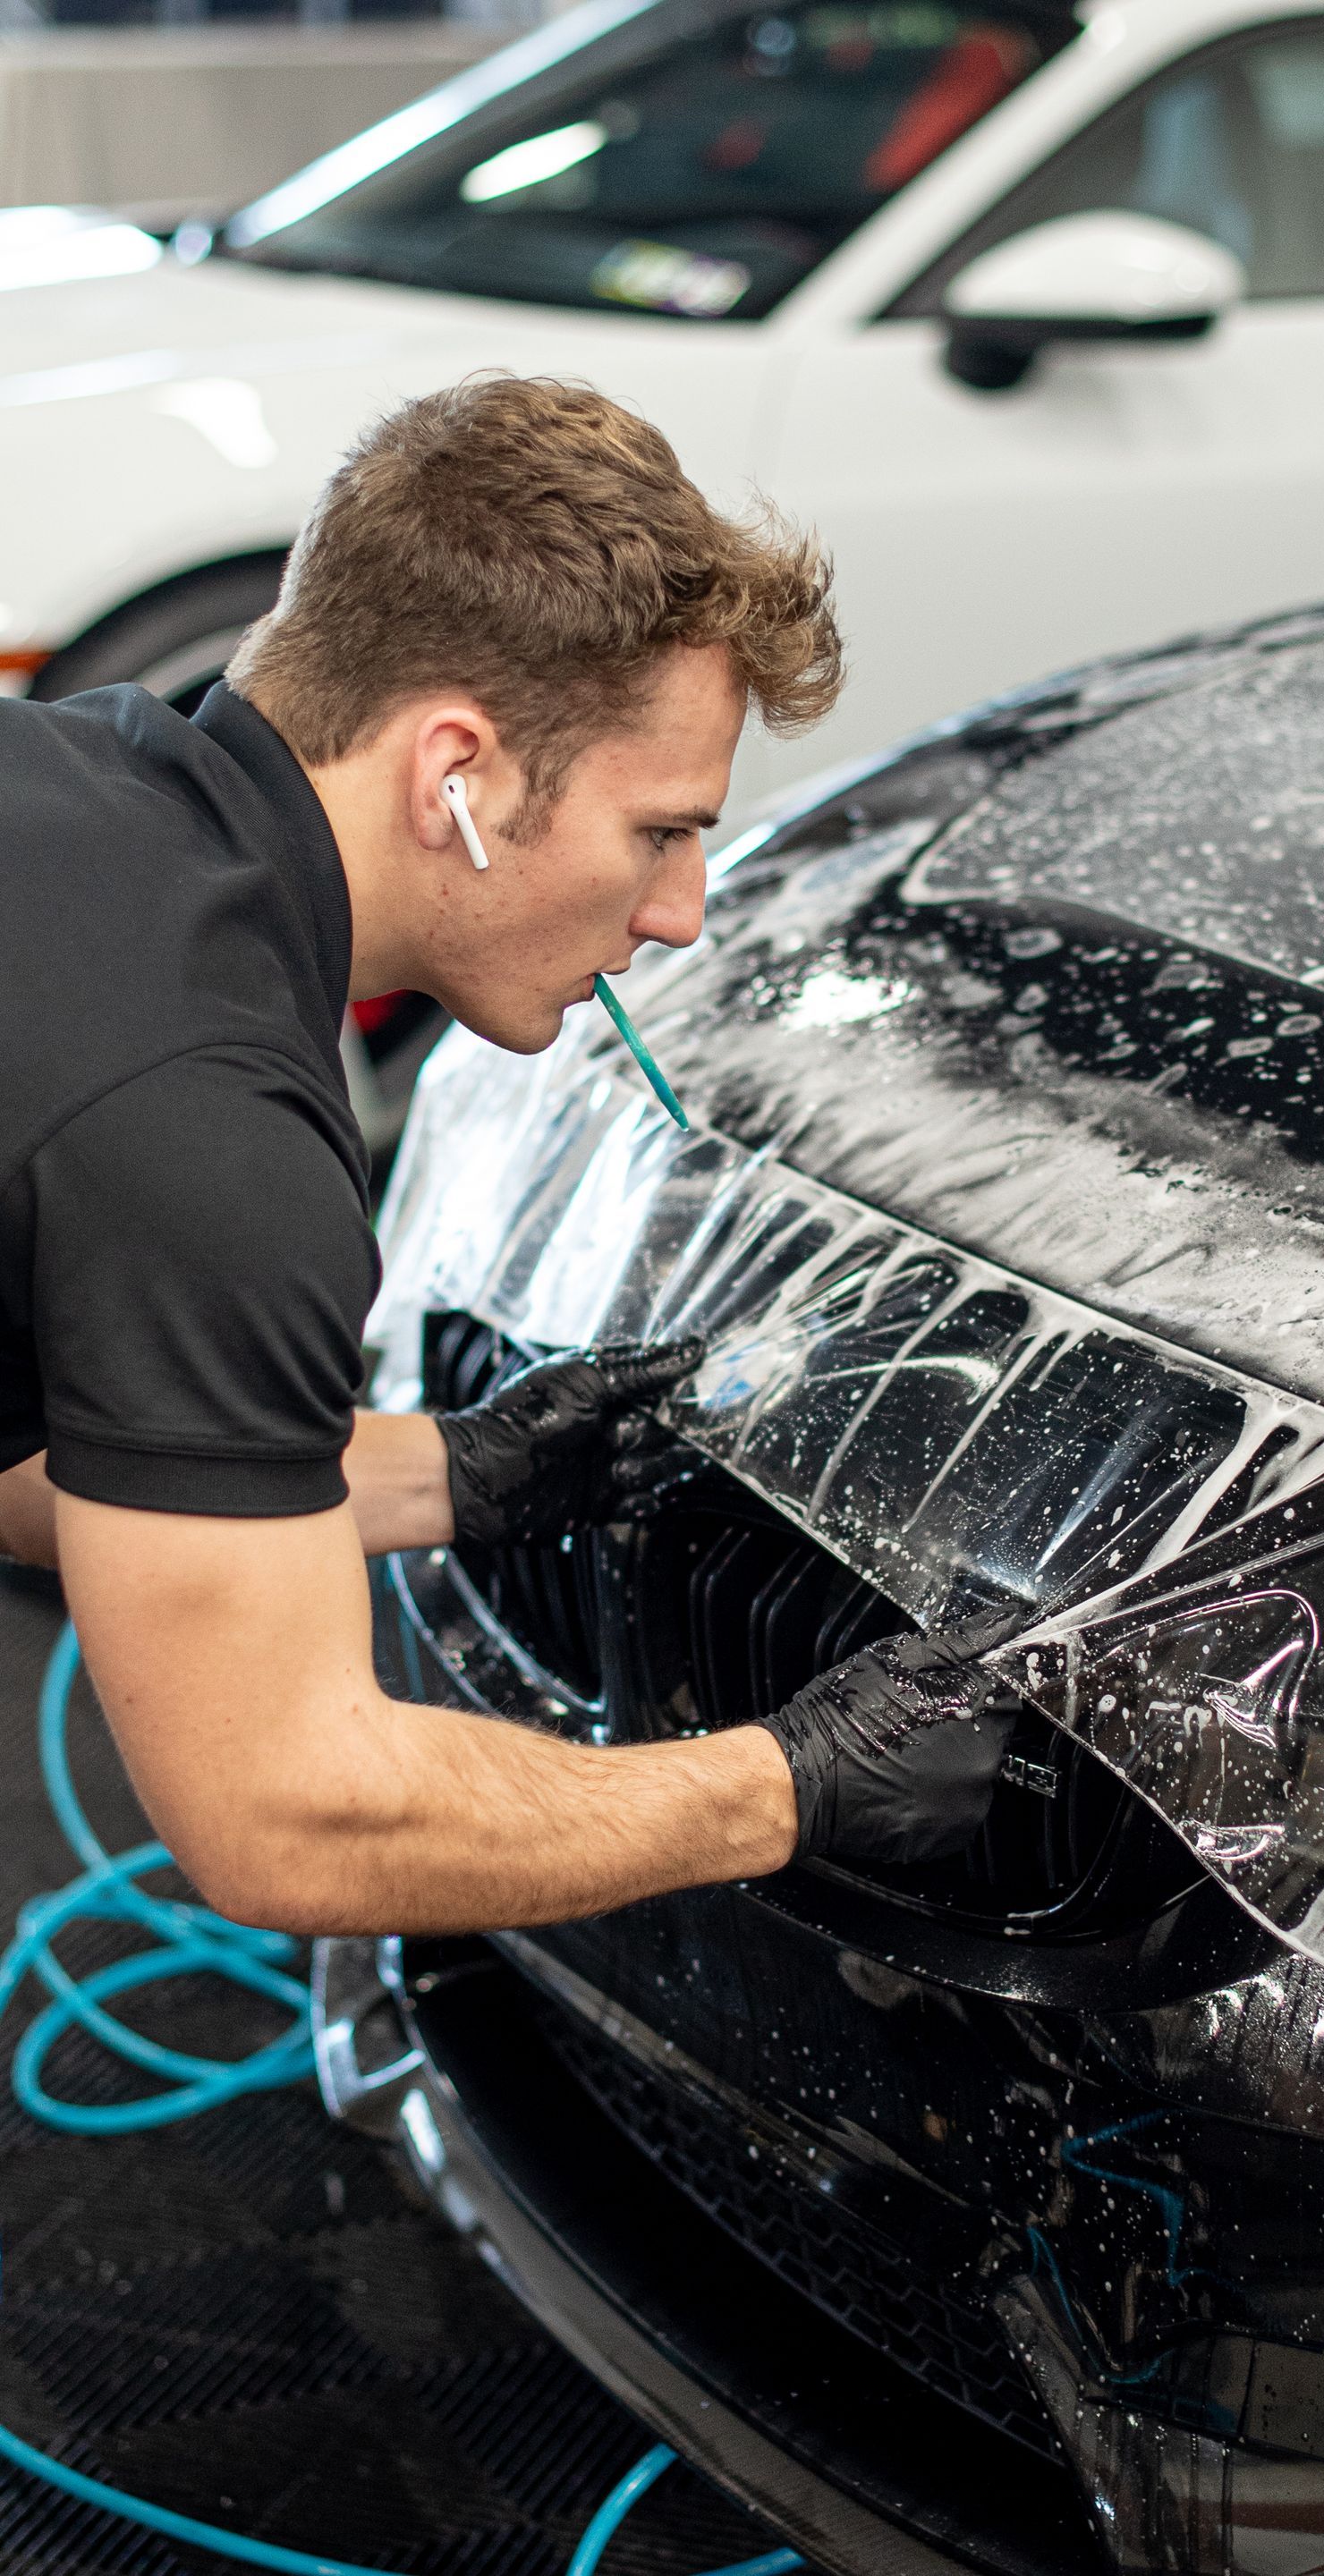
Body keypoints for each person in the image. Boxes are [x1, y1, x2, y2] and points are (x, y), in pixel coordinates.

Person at [0, 376, 1015, 1938]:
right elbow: (287, 1817)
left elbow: (61, 1468)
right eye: (661, 830)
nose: (682, 913)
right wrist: (791, 1786)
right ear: (455, 777)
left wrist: (461, 1472)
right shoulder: (208, 1127)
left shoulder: (75, 792)